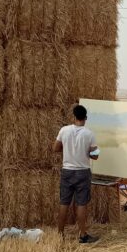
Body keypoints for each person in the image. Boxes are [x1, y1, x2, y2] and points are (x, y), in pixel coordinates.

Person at [53, 104, 100, 244]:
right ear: (85, 118)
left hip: (67, 171)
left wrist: (66, 148)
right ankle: (83, 235)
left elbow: (55, 148)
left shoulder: (64, 130)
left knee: (64, 203)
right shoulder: (89, 134)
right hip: (82, 172)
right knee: (81, 204)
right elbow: (95, 155)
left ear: (73, 117)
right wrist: (92, 150)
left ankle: (60, 235)